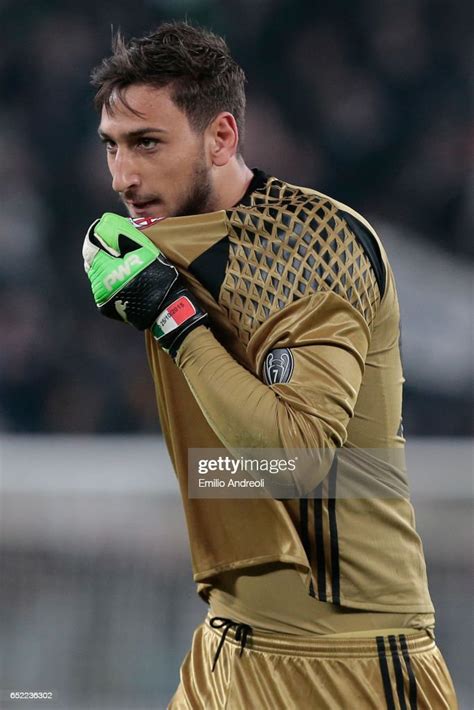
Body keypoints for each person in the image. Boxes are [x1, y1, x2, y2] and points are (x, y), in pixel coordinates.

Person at [83, 21, 457, 709]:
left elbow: (303, 457)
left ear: (221, 138)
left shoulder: (311, 245)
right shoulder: (162, 242)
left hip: (349, 659)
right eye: (111, 146)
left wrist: (173, 318)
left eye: (147, 144)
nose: (121, 176)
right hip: (227, 647)